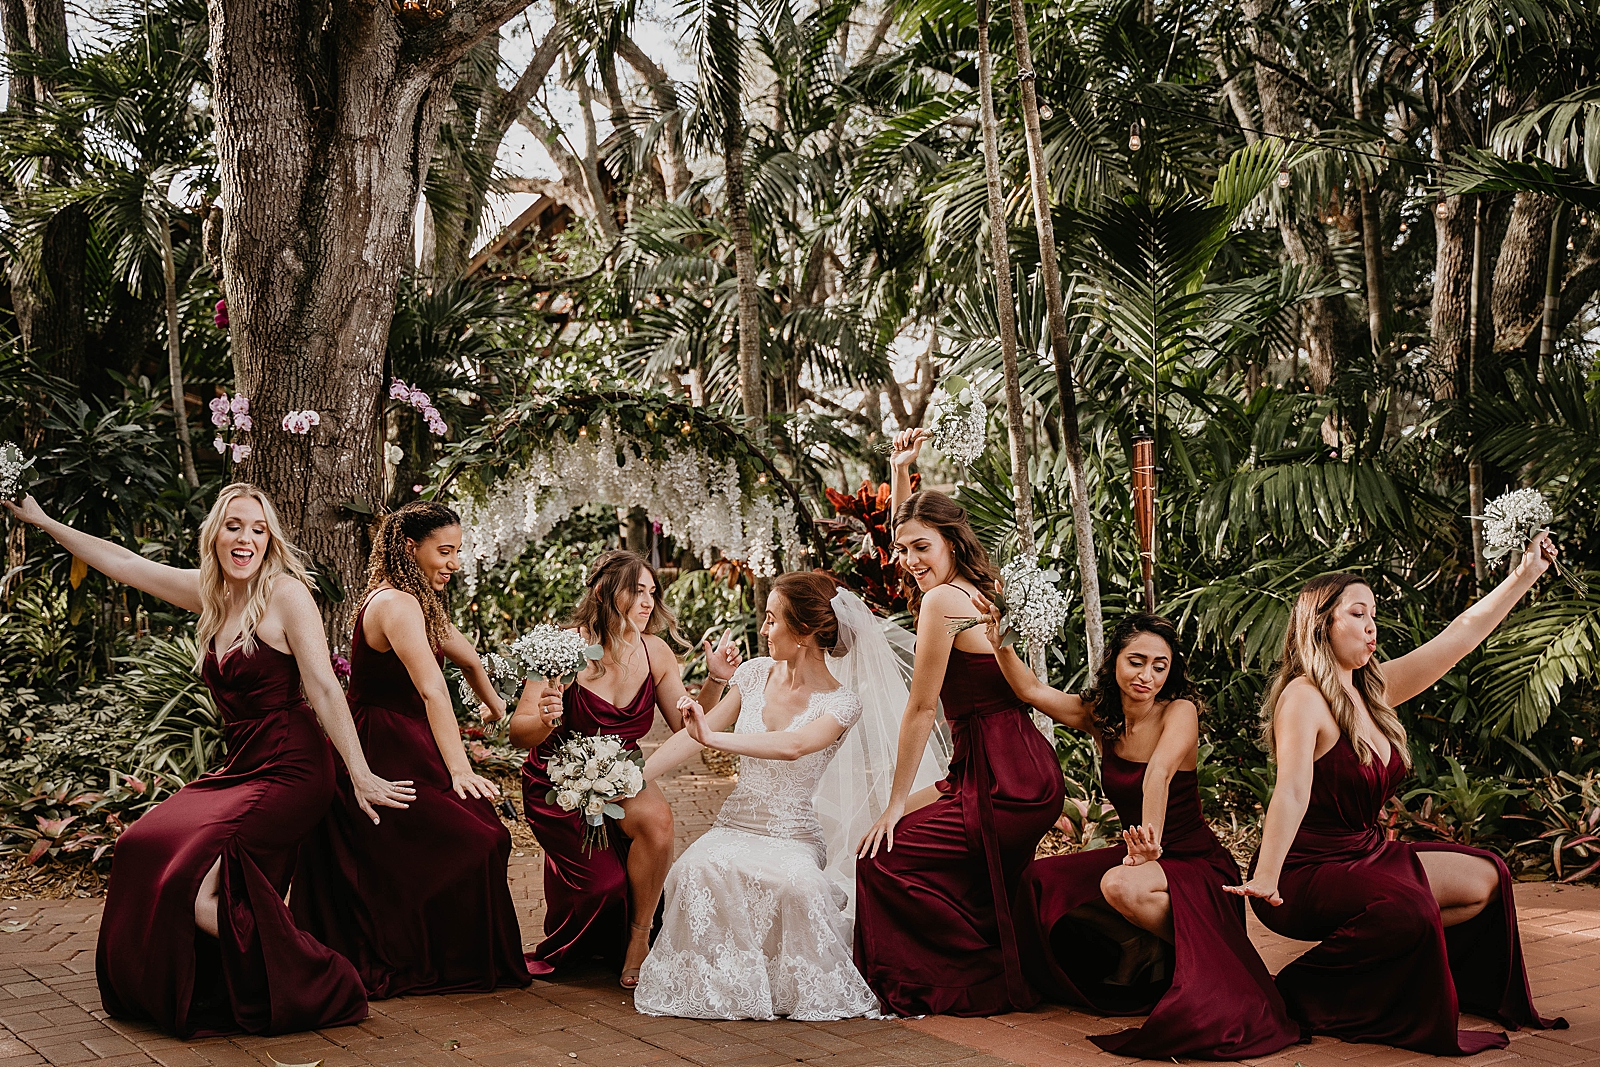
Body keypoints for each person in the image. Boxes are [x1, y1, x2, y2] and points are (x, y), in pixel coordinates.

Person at [3, 487, 414, 1038]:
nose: (245, 539)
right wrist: (48, 521)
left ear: (270, 542)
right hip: (241, 765)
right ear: (215, 533)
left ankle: (322, 977)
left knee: (198, 892)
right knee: (138, 846)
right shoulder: (212, 594)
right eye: (234, 526)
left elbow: (322, 684)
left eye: (258, 530)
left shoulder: (287, 595)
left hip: (292, 768)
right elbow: (126, 563)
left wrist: (358, 771)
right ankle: (218, 981)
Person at [1226, 536, 1568, 1054]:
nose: (1371, 627)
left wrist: (1525, 574)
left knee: (1487, 877)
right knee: (1408, 909)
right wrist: (1266, 876)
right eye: (1357, 614)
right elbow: (1293, 790)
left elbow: (1461, 635)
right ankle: (1297, 994)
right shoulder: (1302, 697)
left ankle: (1392, 977)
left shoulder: (1371, 687)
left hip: (1365, 856)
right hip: (1303, 872)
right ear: (1321, 625)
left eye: (1374, 615)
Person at [985, 608, 1302, 1059]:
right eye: (1136, 661)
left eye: (1160, 666)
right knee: (1040, 882)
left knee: (1120, 884)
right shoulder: (1103, 716)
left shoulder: (1180, 710)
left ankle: (1219, 957)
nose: (1147, 676)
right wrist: (1002, 643)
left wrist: (1151, 850)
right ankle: (1139, 948)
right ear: (1114, 658)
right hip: (1143, 854)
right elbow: (1033, 690)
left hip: (1193, 862)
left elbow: (1159, 774)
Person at [852, 429, 1065, 1017]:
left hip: (1000, 783)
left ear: (949, 542)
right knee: (914, 856)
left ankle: (968, 976)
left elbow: (921, 709)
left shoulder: (942, 603)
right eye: (903, 550)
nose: (908, 561)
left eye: (921, 548)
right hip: (1016, 770)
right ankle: (995, 958)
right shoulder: (979, 588)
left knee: (880, 858)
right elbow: (910, 537)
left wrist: (897, 802)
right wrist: (901, 473)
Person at [292, 501, 534, 997]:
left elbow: (464, 655)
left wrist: (493, 704)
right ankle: (418, 955)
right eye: (444, 551)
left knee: (480, 837)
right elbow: (431, 690)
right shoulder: (396, 606)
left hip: (407, 738)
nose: (455, 563)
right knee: (476, 838)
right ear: (410, 547)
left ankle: (437, 952)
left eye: (458, 552)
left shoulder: (418, 600)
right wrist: (461, 770)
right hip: (378, 743)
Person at [632, 573, 881, 1020]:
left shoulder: (842, 704)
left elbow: (794, 746)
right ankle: (718, 982)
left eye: (771, 620)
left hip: (792, 834)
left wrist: (713, 738)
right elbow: (693, 736)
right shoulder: (752, 674)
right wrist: (630, 776)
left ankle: (778, 984)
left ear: (804, 634)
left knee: (799, 886)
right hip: (735, 824)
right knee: (693, 868)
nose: (763, 630)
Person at [510, 549, 742, 987]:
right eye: (636, 590)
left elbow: (688, 725)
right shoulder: (565, 648)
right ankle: (593, 933)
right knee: (604, 887)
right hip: (556, 781)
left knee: (659, 821)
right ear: (603, 590)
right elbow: (518, 732)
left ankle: (638, 942)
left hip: (621, 773)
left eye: (652, 592)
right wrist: (543, 718)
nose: (648, 601)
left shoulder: (656, 652)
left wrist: (714, 681)